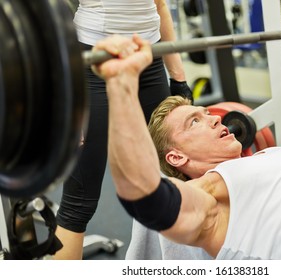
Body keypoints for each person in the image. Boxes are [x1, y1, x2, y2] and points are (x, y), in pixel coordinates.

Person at [93, 18, 281, 259]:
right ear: (176, 157)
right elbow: (146, 196)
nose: (214, 117)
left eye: (206, 113)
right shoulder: (209, 199)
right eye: (194, 121)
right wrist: (121, 85)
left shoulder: (278, 156)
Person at [54, 0, 192, 259]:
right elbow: (55, 14)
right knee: (80, 201)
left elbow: (160, 4)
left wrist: (178, 77)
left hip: (150, 59)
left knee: (175, 177)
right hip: (92, 59)